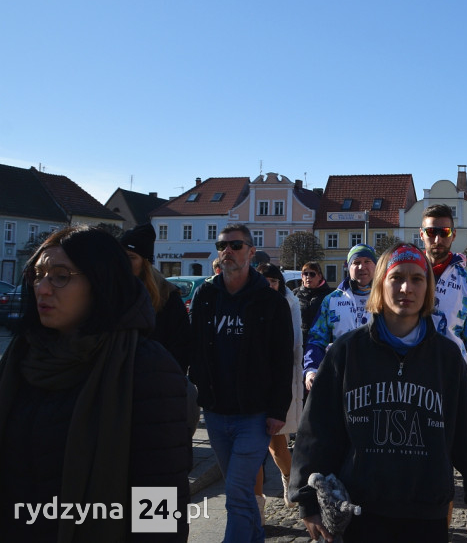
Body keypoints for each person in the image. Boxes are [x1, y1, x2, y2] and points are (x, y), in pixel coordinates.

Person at [290, 244, 467, 543]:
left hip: (426, 511)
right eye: (396, 277)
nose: (406, 288)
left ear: (428, 289)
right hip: (360, 510)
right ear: (380, 285)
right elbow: (316, 430)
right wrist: (308, 500)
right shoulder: (346, 352)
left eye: (417, 279)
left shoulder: (448, 357)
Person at [0, 226, 192, 542]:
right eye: (38, 275)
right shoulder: (23, 356)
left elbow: (159, 501)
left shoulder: (146, 367)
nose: (43, 289)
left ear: (100, 283)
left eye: (61, 276)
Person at [188, 223, 294, 542]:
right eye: (222, 246)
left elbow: (281, 359)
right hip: (217, 412)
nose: (228, 251)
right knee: (243, 490)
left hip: (255, 414)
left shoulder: (270, 301)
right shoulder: (205, 295)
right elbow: (194, 345)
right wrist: (198, 386)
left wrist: (278, 410)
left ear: (251, 251)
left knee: (235, 490)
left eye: (235, 245)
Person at [420, 204, 467, 409]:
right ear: (421, 234)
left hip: (451, 375)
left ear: (454, 235)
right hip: (410, 374)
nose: (438, 239)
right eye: (431, 232)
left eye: (445, 232)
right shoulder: (405, 274)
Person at [254, 263, 304, 513]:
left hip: (276, 387)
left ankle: (288, 477)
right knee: (252, 453)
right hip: (252, 390)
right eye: (266, 280)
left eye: (274, 280)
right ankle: (257, 507)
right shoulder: (248, 302)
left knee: (277, 448)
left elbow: (293, 349)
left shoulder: (288, 304)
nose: (270, 285)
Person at [303, 245, 377, 391]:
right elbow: (317, 339)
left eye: (367, 261)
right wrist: (311, 370)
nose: (362, 266)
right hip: (341, 378)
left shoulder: (388, 298)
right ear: (348, 267)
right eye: (356, 262)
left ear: (376, 266)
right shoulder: (332, 300)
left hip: (377, 379)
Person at [120, 222, 191, 372]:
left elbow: (181, 348)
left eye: (131, 257)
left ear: (145, 263)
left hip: (157, 382)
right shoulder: (111, 292)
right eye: (121, 256)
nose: (124, 262)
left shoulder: (167, 297)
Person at [293, 261, 333, 348]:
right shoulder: (294, 294)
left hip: (321, 343)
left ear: (320, 276)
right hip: (299, 342)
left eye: (312, 274)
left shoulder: (329, 296)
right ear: (301, 276)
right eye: (305, 274)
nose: (308, 277)